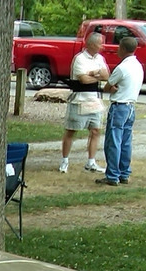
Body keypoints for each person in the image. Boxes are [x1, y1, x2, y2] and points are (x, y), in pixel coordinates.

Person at [59, 33, 110, 174]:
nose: (102, 46)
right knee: (71, 130)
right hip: (79, 99)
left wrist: (92, 73)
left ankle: (91, 162)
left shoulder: (100, 58)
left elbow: (106, 75)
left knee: (95, 131)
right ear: (92, 44)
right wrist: (97, 76)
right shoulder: (79, 59)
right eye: (100, 43)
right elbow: (83, 80)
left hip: (95, 99)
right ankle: (64, 161)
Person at [96, 35, 143, 187]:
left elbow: (108, 86)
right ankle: (124, 172)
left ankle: (112, 175)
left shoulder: (122, 68)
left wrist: (112, 88)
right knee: (126, 141)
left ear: (122, 48)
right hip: (131, 106)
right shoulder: (138, 66)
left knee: (113, 141)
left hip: (119, 106)